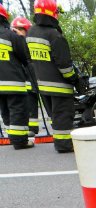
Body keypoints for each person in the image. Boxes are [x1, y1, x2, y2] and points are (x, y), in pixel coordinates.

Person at [27, 0, 78, 153]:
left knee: (55, 117)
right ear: (53, 14)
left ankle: (60, 142)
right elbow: (65, 66)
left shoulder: (31, 33)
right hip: (60, 87)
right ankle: (64, 145)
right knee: (63, 116)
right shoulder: (54, 36)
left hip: (43, 86)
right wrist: (75, 79)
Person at [0, 5, 33, 150]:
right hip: (13, 82)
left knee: (5, 110)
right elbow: (25, 57)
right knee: (18, 110)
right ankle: (19, 141)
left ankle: (12, 137)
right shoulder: (12, 36)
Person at [11, 17, 40, 137]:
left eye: (20, 29)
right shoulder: (13, 41)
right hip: (23, 78)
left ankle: (55, 125)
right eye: (15, 29)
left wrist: (22, 38)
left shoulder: (29, 40)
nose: (17, 31)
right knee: (30, 103)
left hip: (35, 74)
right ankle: (32, 128)